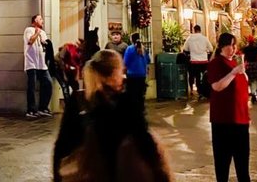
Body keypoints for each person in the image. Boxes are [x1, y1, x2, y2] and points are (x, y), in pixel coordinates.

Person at [52, 49, 171, 182]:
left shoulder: (78, 101)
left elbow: (61, 148)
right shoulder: (125, 103)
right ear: (114, 73)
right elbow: (145, 143)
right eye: (121, 71)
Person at [207, 32, 250, 182]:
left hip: (241, 119)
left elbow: (245, 87)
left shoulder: (236, 63)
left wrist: (242, 73)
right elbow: (217, 86)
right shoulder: (216, 64)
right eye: (229, 45)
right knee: (223, 163)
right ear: (221, 46)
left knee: (242, 163)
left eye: (234, 45)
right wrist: (233, 73)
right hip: (224, 119)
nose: (232, 49)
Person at [24, 14, 53, 118]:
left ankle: (43, 108)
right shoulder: (29, 30)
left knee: (48, 84)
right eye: (40, 19)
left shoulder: (43, 32)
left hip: (42, 65)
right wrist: (36, 33)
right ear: (34, 20)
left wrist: (44, 42)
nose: (42, 21)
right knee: (31, 87)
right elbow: (30, 41)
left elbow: (45, 45)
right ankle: (31, 110)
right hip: (31, 64)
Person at [182, 25, 213, 99]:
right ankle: (203, 91)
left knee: (196, 77)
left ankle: (196, 91)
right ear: (200, 30)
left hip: (194, 61)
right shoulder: (205, 38)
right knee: (204, 76)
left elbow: (185, 49)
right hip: (204, 61)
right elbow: (211, 49)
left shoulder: (190, 38)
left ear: (194, 30)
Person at [123, 33, 151, 111]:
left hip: (131, 76)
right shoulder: (144, 49)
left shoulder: (129, 49)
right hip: (142, 75)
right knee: (140, 95)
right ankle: (141, 110)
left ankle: (134, 112)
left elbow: (125, 62)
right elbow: (148, 61)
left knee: (132, 95)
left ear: (131, 39)